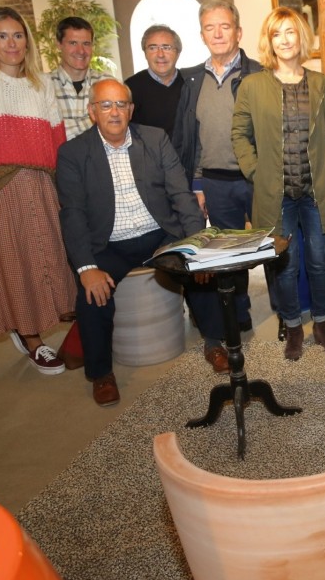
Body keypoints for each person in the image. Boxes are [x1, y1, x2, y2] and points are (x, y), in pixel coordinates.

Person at [56, 79, 228, 406]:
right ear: (92, 111)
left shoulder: (154, 139)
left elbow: (181, 194)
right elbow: (72, 213)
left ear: (131, 109)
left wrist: (197, 245)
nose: (114, 112)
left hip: (159, 233)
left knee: (200, 270)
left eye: (121, 104)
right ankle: (101, 373)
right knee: (92, 294)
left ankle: (214, 342)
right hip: (109, 243)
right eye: (106, 105)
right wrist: (86, 267)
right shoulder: (73, 153)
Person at [0, 6, 78, 374]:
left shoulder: (42, 84)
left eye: (18, 35)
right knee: (15, 266)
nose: (11, 43)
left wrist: (65, 193)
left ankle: (51, 317)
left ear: (27, 41)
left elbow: (57, 143)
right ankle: (30, 336)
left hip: (42, 186)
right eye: (2, 36)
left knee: (51, 258)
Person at [232, 7, 325, 361]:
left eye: (290, 32)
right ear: (269, 41)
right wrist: (256, 171)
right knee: (286, 265)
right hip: (276, 195)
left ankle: (322, 325)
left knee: (319, 262)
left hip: (315, 193)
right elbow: (239, 134)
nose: (284, 40)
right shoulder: (252, 86)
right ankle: (294, 327)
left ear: (301, 37)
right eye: (276, 34)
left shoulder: (322, 83)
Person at [171, 0, 263, 333]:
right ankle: (240, 310)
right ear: (202, 35)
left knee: (271, 246)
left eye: (225, 26)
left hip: (256, 179)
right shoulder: (192, 80)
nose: (218, 33)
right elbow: (192, 138)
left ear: (238, 32)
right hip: (216, 183)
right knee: (231, 253)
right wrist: (197, 184)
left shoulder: (258, 74)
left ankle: (287, 315)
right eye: (210, 28)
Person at [49, 16, 112, 140]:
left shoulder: (107, 83)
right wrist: (95, 121)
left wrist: (60, 129)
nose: (81, 51)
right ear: (59, 44)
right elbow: (42, 134)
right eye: (73, 43)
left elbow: (117, 127)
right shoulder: (43, 86)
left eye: (86, 44)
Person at [125, 24, 184, 136]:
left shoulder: (190, 84)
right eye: (152, 48)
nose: (160, 54)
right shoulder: (130, 88)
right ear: (145, 53)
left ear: (178, 53)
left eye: (166, 47)